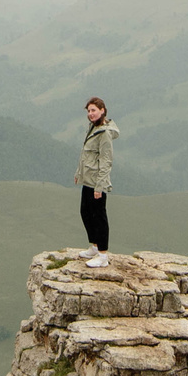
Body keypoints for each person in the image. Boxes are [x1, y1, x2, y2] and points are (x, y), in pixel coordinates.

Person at [73, 97, 119, 266]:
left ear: (102, 110)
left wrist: (100, 186)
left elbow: (106, 161)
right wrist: (79, 172)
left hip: (97, 182)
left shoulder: (104, 133)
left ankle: (103, 256)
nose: (90, 114)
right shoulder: (93, 128)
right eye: (89, 111)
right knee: (85, 212)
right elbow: (86, 154)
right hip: (88, 179)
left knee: (99, 217)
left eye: (93, 110)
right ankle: (94, 246)